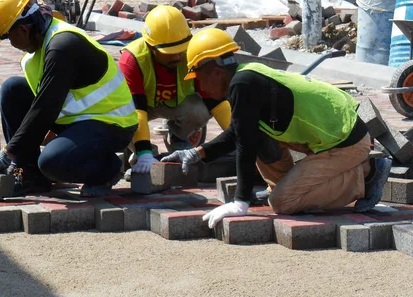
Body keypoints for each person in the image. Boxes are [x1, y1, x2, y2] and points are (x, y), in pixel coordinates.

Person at [162, 28, 392, 228]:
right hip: (325, 137)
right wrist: (197, 153)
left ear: (214, 72)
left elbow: (244, 145)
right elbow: (240, 132)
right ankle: (284, 186)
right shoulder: (245, 78)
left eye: (198, 78)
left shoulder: (243, 85)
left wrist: (241, 201)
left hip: (347, 141)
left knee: (283, 203)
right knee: (260, 137)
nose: (199, 87)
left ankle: (367, 174)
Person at [0, 0, 138, 196]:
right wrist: (19, 154)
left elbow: (45, 108)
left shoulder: (63, 46)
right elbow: (42, 104)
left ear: (23, 30)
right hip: (77, 119)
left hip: (111, 124)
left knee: (52, 161)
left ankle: (108, 168)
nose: (10, 43)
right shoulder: (41, 42)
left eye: (6, 36)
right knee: (12, 89)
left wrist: (8, 153)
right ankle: (29, 176)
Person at [118, 5, 231, 177]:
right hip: (143, 107)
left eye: (180, 50)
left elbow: (217, 104)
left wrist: (239, 138)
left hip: (177, 104)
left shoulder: (192, 53)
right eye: (169, 53)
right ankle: (144, 154)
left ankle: (178, 138)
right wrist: (144, 153)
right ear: (151, 46)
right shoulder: (133, 58)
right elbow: (136, 111)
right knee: (120, 120)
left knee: (200, 111)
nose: (177, 56)